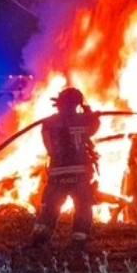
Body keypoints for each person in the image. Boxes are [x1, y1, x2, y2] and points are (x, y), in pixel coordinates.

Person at [27, 88, 101, 249]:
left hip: (57, 174)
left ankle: (39, 240)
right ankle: (79, 241)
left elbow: (49, 148)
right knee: (83, 206)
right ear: (77, 104)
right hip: (80, 173)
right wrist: (91, 113)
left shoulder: (47, 123)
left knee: (50, 207)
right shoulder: (85, 120)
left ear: (59, 104)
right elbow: (94, 128)